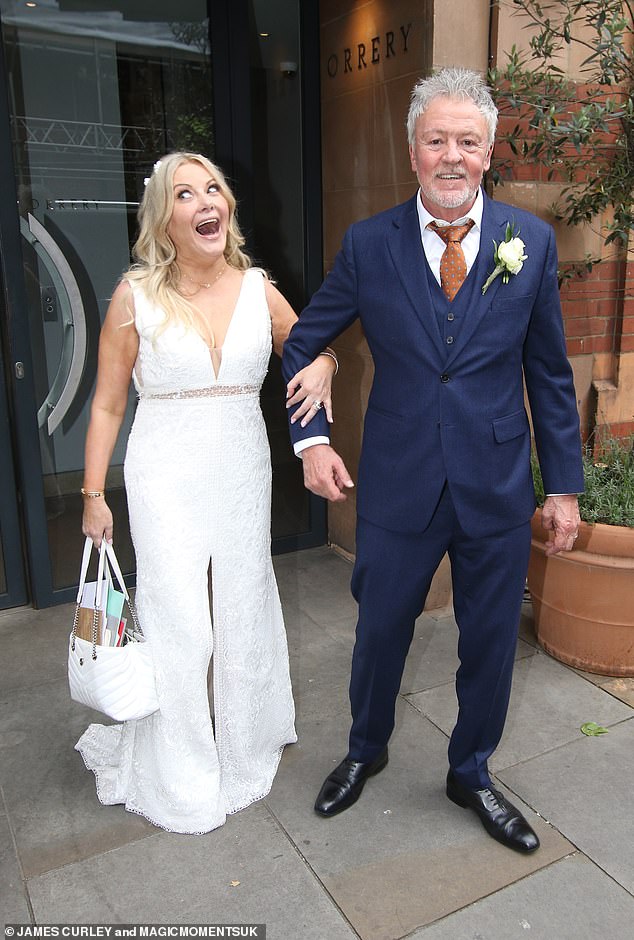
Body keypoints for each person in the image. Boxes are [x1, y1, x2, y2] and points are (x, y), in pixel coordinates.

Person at [282, 68, 584, 854]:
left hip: (495, 484)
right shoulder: (369, 244)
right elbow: (304, 342)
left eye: (467, 142)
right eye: (436, 140)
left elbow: (550, 374)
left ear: (488, 153)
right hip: (397, 479)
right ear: (412, 149)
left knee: (488, 640)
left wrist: (566, 492)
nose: (451, 156)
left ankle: (472, 771)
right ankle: (364, 748)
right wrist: (311, 442)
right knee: (381, 630)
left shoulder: (533, 241)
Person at [78, 151, 337, 834]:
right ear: (165, 219)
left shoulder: (257, 288)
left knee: (244, 602)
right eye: (186, 193)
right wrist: (91, 494)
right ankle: (183, 768)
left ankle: (248, 738)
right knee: (181, 620)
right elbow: (106, 404)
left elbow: (309, 344)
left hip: (244, 472)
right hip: (164, 474)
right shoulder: (134, 297)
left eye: (213, 188)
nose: (205, 201)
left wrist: (327, 364)